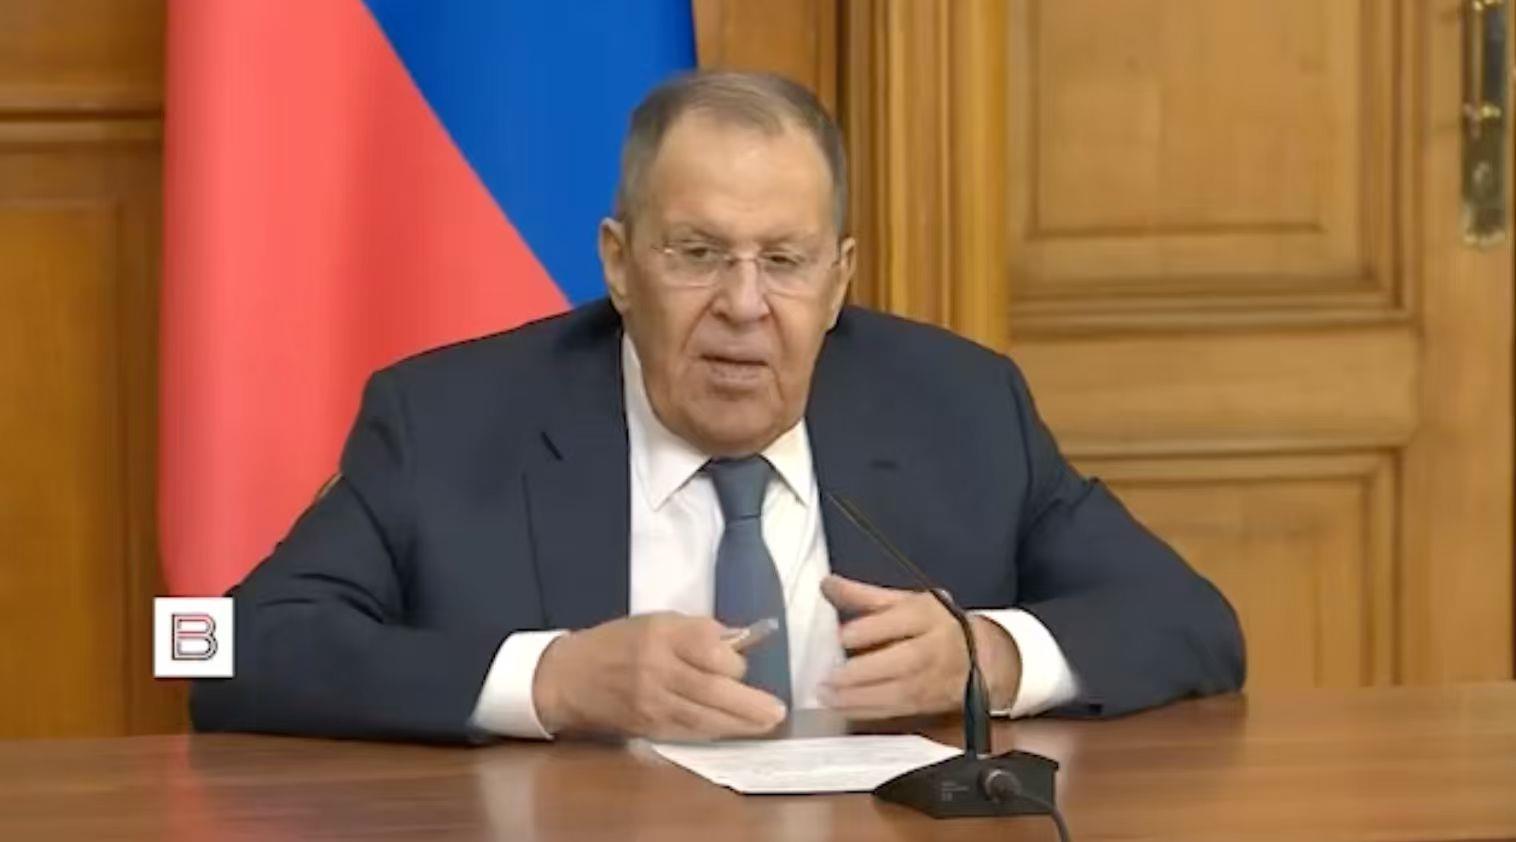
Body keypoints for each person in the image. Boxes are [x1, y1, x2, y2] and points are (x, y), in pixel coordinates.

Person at [191, 71, 1244, 744]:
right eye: (697, 254)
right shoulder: (445, 417)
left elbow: (1198, 622)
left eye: (784, 262)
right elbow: (207, 646)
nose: (744, 305)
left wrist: (989, 655)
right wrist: (550, 678)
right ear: (619, 263)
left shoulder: (960, 407)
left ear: (839, 278)